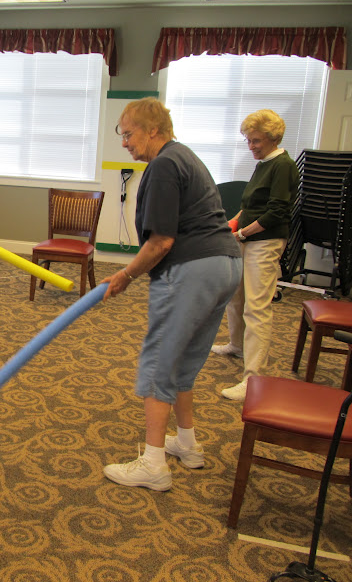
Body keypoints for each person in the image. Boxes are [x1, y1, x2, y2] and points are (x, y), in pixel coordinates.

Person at [101, 98, 242, 491]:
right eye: (122, 135)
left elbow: (161, 241)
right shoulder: (185, 156)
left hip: (192, 270)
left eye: (129, 134)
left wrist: (126, 275)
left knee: (158, 360)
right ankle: (187, 443)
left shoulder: (163, 164)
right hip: (226, 266)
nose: (125, 143)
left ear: (154, 130)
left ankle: (153, 465)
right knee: (183, 361)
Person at [212, 109, 299, 401]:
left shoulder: (283, 165)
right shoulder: (264, 163)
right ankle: (237, 345)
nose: (251, 146)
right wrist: (233, 224)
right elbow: (251, 204)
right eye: (249, 140)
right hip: (248, 238)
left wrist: (243, 233)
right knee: (235, 296)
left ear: (274, 138)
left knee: (257, 307)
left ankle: (253, 377)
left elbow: (276, 212)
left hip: (266, 242)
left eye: (256, 141)